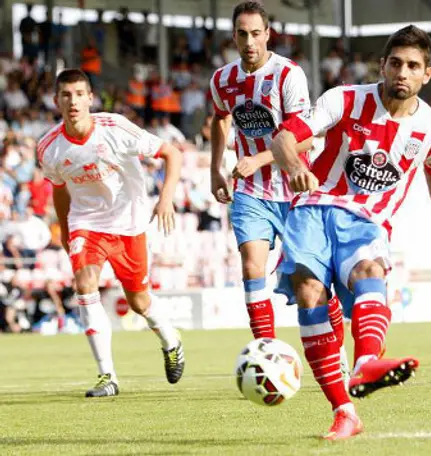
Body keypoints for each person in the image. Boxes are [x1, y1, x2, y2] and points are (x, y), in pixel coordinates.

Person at [270, 25, 431, 440]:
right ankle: (344, 411)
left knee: (369, 270)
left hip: (366, 220)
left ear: (428, 74)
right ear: (382, 65)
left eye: (413, 66)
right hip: (313, 209)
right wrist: (295, 168)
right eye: (396, 63)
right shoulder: (343, 99)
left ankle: (366, 363)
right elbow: (282, 139)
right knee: (310, 293)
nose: (403, 72)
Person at [38, 69, 185, 397]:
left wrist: (165, 200)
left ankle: (171, 341)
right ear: (56, 101)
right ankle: (108, 376)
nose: (73, 101)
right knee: (85, 284)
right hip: (86, 224)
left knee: (139, 301)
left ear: (90, 98)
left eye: (79, 94)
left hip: (129, 223)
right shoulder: (49, 147)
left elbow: (172, 154)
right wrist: (65, 230)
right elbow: (60, 189)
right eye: (66, 95)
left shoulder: (116, 128)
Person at [209, 1, 346, 346]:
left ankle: (336, 352)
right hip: (251, 194)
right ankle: (266, 354)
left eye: (256, 33)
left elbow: (304, 139)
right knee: (252, 269)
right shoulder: (222, 79)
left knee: (313, 284)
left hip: (296, 192)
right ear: (234, 36)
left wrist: (258, 160)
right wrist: (215, 169)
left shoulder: (287, 75)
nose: (250, 42)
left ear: (268, 34)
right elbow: (220, 118)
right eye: (243, 34)